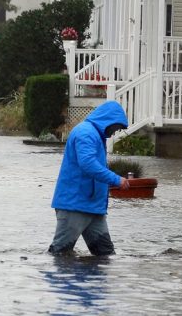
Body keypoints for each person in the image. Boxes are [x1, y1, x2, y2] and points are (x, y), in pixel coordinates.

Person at [49, 101, 130, 256]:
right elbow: (88, 164)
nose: (115, 132)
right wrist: (116, 180)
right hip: (75, 205)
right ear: (109, 121)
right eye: (116, 127)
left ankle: (96, 281)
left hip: (92, 207)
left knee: (105, 255)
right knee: (60, 253)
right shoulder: (85, 133)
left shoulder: (94, 135)